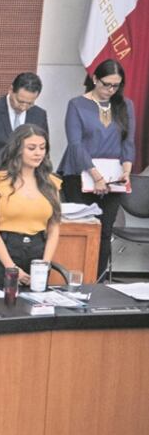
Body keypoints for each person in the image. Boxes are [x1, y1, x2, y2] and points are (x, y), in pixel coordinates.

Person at [57, 59, 136, 279]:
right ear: (94, 79)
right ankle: (74, 279)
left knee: (104, 230)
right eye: (106, 84)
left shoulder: (125, 105)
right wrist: (96, 177)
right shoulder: (76, 104)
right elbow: (75, 144)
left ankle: (97, 280)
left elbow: (128, 142)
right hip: (80, 174)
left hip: (113, 177)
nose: (110, 90)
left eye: (116, 85)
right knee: (83, 229)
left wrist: (127, 170)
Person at [0, 125, 63, 287]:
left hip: (38, 254)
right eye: (31, 148)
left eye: (42, 148)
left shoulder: (51, 183)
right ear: (17, 149)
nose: (38, 153)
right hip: (5, 254)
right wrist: (11, 268)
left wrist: (44, 265)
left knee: (36, 308)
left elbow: (54, 229)